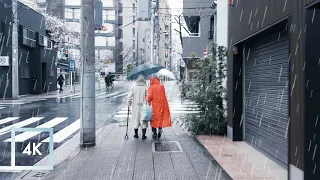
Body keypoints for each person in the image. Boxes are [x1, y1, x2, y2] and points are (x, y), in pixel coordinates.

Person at [128, 75, 148, 140]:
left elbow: (130, 96)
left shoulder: (134, 85)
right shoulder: (145, 86)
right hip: (143, 105)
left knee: (135, 119)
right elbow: (148, 96)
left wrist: (129, 103)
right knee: (143, 119)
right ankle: (143, 135)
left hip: (136, 105)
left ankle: (136, 134)